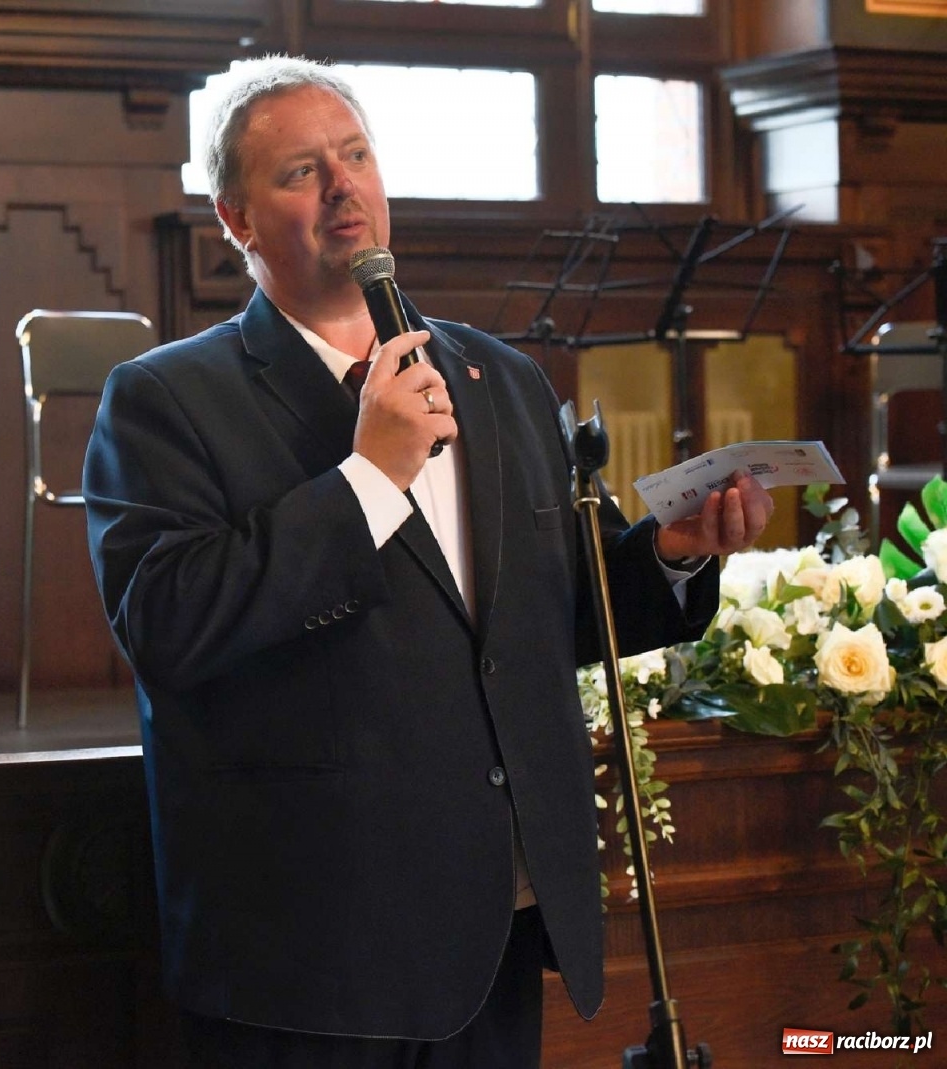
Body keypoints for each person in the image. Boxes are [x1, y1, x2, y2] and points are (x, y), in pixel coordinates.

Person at [83, 56, 773, 1067]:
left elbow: (544, 622)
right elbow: (168, 626)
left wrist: (668, 556)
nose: (341, 185)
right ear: (233, 219)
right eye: (300, 171)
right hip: (313, 951)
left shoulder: (499, 379)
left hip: (494, 915)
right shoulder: (167, 400)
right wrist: (368, 477)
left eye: (355, 155)